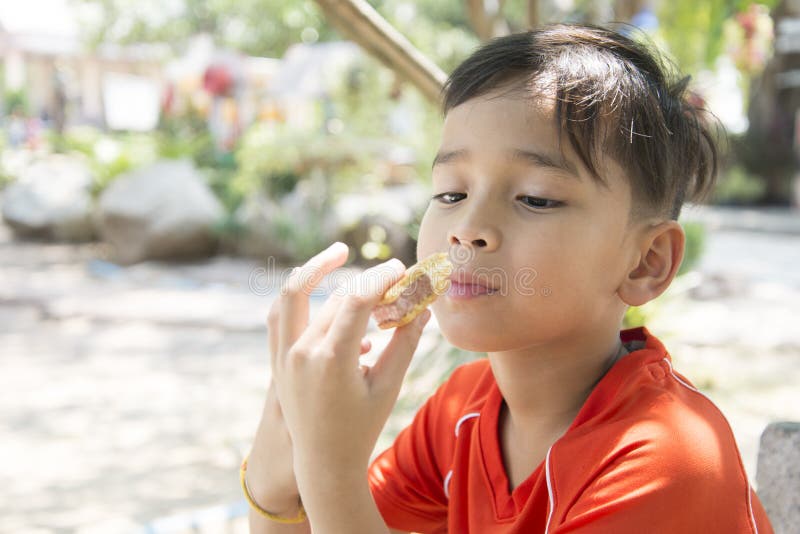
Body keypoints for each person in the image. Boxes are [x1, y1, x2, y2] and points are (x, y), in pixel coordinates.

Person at [241, 23, 774, 533]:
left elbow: (339, 505)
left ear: (646, 261)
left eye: (535, 198)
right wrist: (275, 474)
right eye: (451, 193)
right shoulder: (462, 411)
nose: (469, 229)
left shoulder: (666, 459)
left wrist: (329, 466)